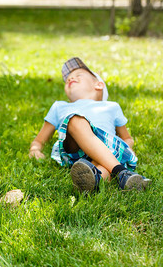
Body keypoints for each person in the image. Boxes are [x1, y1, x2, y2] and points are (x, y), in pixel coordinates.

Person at [29, 57, 151, 192]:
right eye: (68, 78)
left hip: (106, 151)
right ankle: (122, 171)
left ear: (98, 85)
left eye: (78, 75)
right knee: (75, 119)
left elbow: (127, 138)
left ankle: (95, 180)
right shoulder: (59, 106)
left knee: (104, 163)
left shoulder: (111, 106)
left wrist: (128, 147)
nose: (70, 78)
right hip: (74, 148)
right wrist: (35, 149)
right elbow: (39, 140)